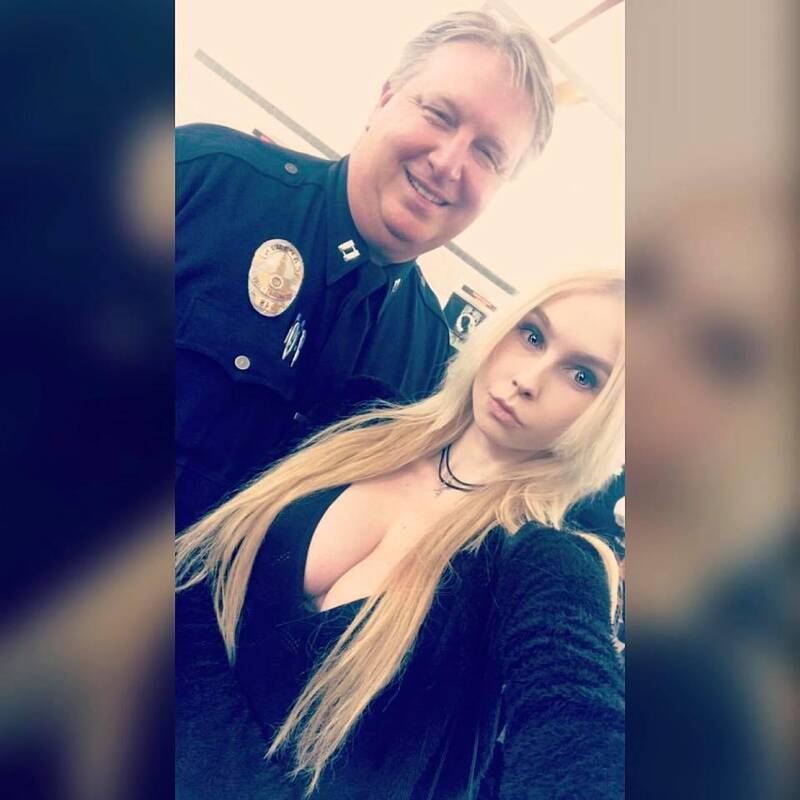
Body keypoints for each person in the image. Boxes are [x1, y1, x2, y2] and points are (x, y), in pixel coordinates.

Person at [175, 271, 625, 799]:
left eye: (582, 376)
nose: (528, 379)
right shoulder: (358, 426)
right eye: (532, 335)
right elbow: (199, 581)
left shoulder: (547, 562)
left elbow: (576, 717)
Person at [175, 10, 555, 531]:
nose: (448, 163)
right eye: (440, 115)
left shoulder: (429, 360)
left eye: (488, 154)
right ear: (383, 100)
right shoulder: (206, 181)